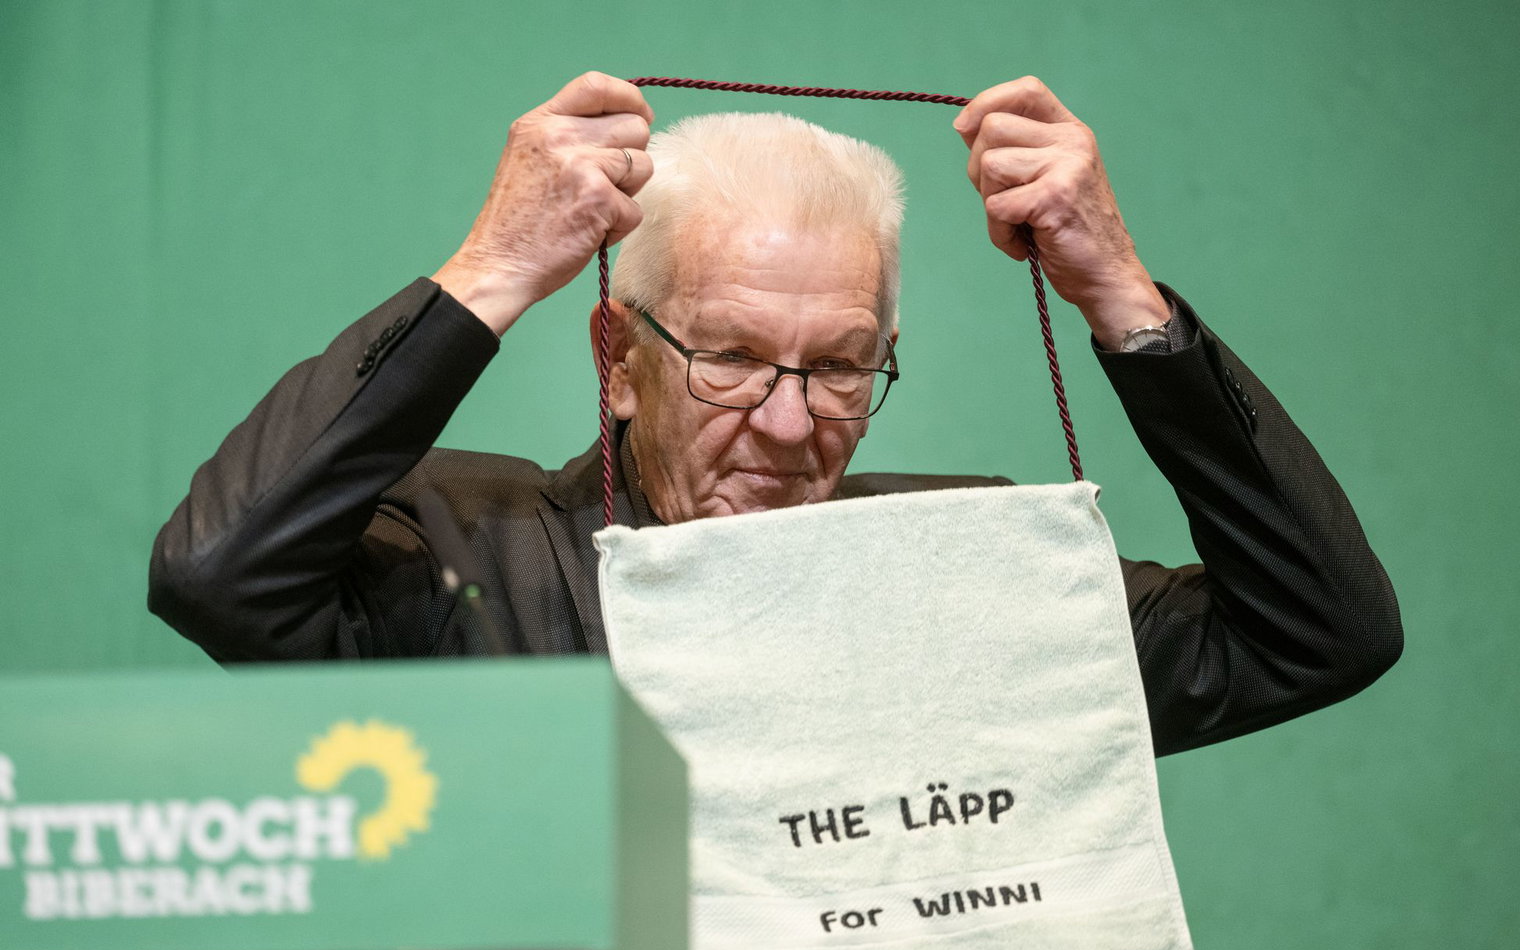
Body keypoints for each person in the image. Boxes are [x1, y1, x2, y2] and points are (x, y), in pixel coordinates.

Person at [149, 72, 1402, 759]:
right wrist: (490, 272)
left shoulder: (973, 577)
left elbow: (1317, 631)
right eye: (734, 358)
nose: (794, 423)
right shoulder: (456, 561)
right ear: (618, 358)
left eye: (842, 368)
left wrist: (1122, 297)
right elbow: (220, 571)